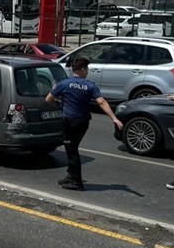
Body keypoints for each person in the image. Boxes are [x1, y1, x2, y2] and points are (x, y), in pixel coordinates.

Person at [45, 57, 123, 191]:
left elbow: (48, 99)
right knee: (73, 147)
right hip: (83, 123)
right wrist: (114, 118)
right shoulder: (90, 85)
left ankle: (76, 181)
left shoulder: (64, 84)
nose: (87, 71)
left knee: (72, 150)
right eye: (86, 69)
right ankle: (70, 176)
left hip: (70, 122)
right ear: (81, 69)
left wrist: (59, 103)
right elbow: (102, 102)